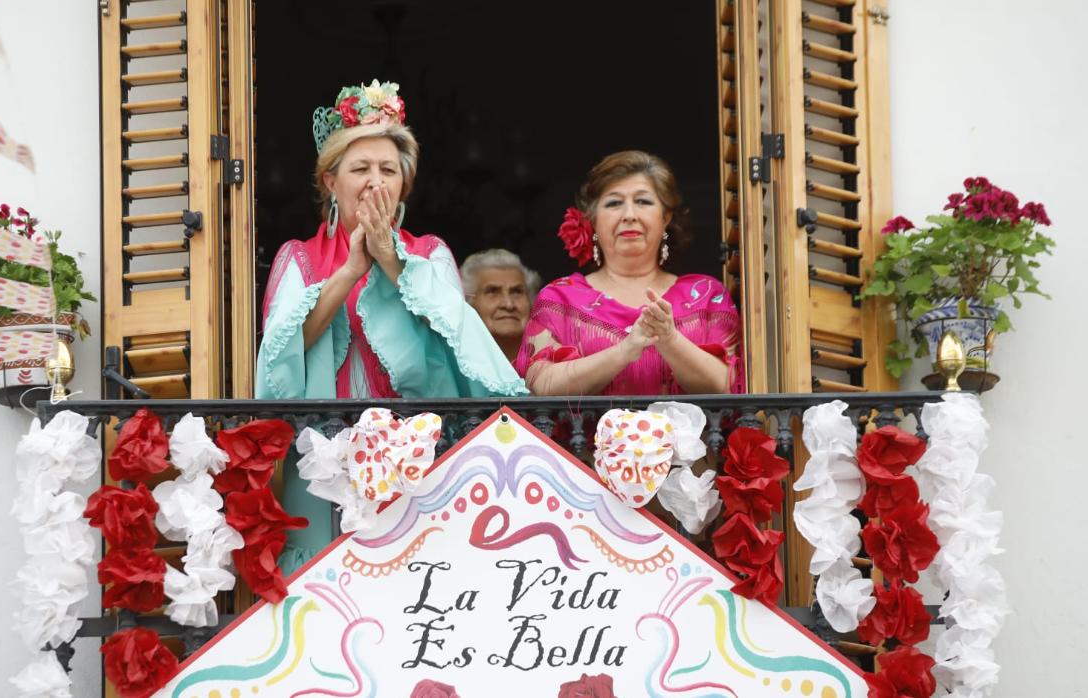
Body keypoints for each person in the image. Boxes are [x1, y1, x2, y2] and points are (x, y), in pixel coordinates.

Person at [257, 80, 527, 567]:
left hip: (420, 458)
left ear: (404, 184)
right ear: (329, 182)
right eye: (360, 168)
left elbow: (460, 346)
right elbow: (281, 356)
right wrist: (351, 271)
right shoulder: (298, 258)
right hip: (324, 463)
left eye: (388, 169)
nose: (375, 181)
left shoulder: (431, 254)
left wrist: (393, 263)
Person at [516, 150, 744, 395]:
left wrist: (669, 338)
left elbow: (728, 385)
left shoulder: (707, 295)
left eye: (643, 201)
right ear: (592, 219)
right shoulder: (560, 298)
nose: (629, 215)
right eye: (614, 203)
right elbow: (539, 386)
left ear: (665, 218)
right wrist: (625, 350)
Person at [459, 248, 540, 362]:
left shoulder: (555, 365)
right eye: (493, 291)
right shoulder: (452, 369)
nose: (509, 304)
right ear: (468, 303)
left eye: (517, 292)